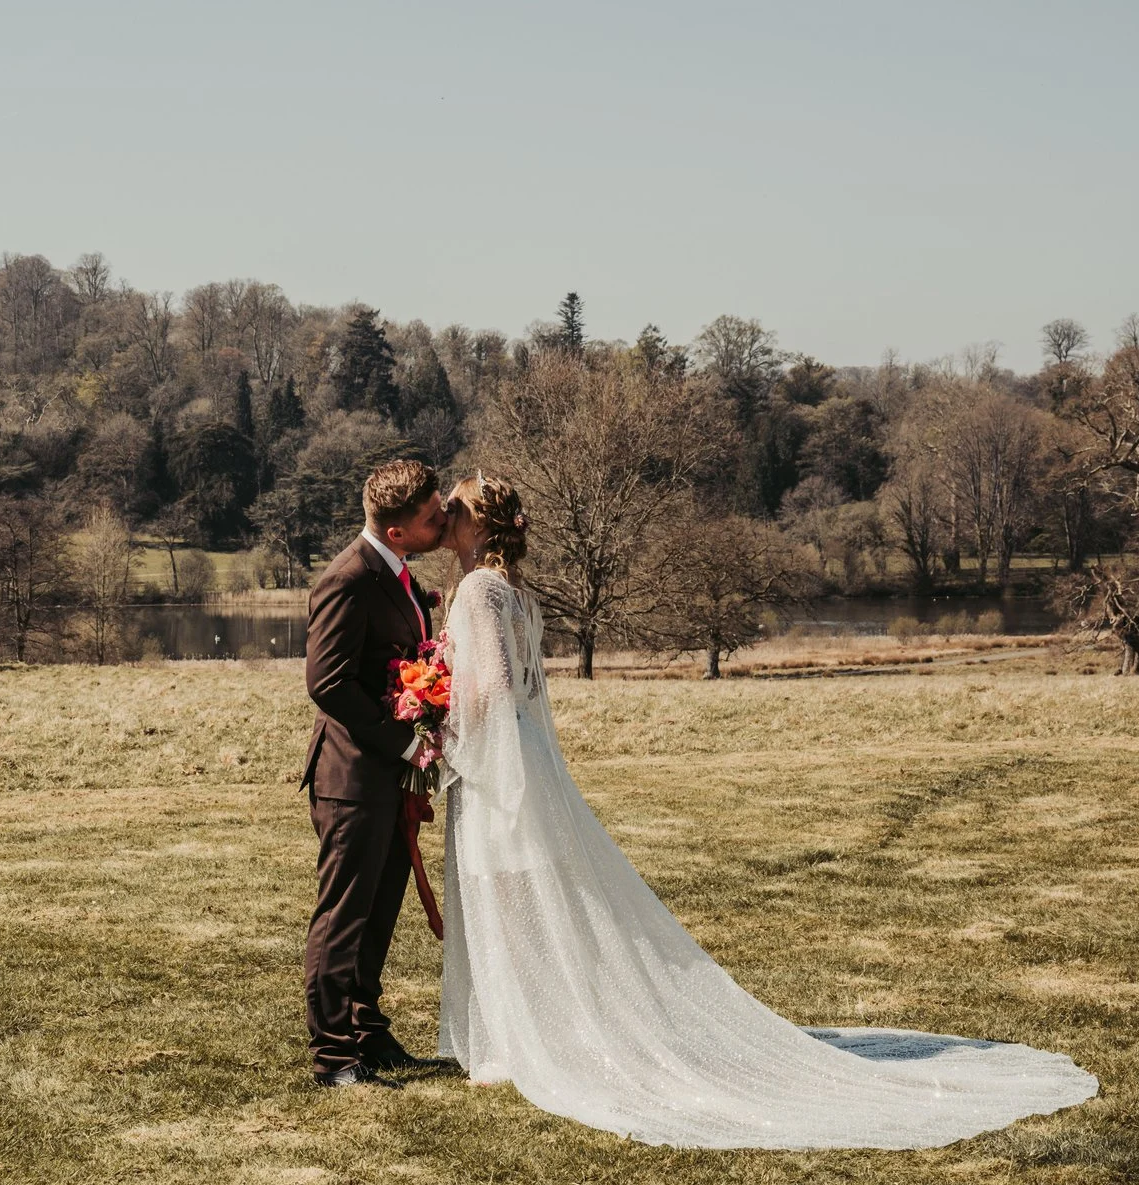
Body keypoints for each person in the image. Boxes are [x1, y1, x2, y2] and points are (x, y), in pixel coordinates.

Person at [431, 472, 1098, 1148]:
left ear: (478, 524)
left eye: (453, 507)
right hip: (526, 761)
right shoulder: (513, 591)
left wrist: (439, 732)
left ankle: (517, 1045)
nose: (444, 514)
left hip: (498, 766)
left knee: (508, 898)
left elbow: (490, 688)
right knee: (523, 897)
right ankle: (529, 1035)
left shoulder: (481, 590)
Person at [299, 457, 447, 1089]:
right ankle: (334, 1054)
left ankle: (367, 1031)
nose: (443, 522)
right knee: (345, 913)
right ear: (396, 531)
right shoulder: (348, 579)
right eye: (431, 517)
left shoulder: (399, 574)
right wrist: (400, 743)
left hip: (388, 775)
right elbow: (327, 683)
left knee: (382, 906)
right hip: (352, 776)